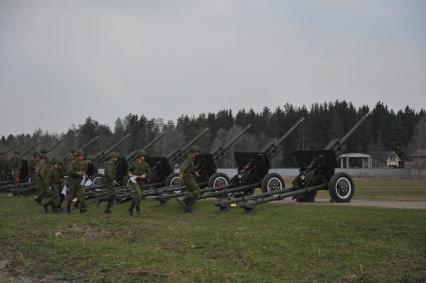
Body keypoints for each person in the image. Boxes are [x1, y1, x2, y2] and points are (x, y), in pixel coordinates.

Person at [177, 145, 201, 213]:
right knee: (197, 190)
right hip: (187, 177)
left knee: (193, 193)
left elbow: (189, 167)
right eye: (197, 152)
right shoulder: (189, 158)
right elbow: (183, 166)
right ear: (194, 152)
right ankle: (183, 199)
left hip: (188, 176)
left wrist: (195, 172)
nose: (198, 154)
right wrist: (181, 174)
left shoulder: (191, 158)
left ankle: (187, 206)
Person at [127, 150, 150, 216]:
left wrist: (145, 175)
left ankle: (130, 209)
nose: (143, 157)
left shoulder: (146, 164)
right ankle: (138, 210)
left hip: (141, 181)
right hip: (134, 181)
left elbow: (149, 172)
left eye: (144, 156)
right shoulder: (134, 163)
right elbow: (129, 170)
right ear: (139, 156)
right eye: (142, 156)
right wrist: (130, 174)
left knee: (137, 196)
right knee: (139, 194)